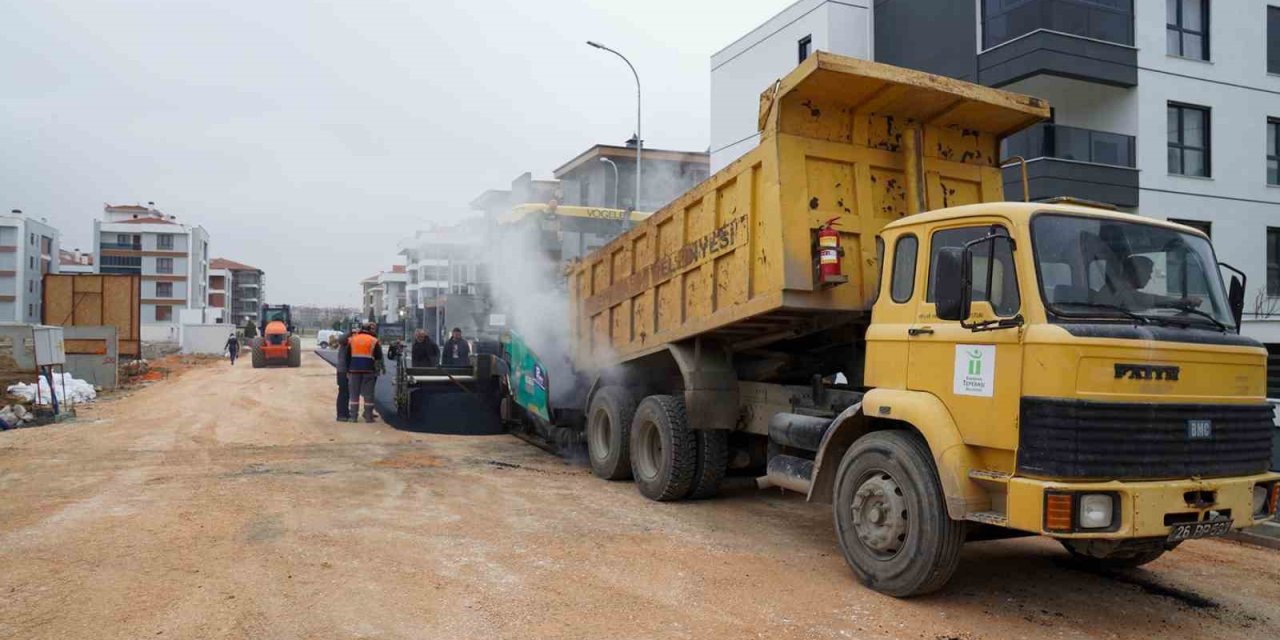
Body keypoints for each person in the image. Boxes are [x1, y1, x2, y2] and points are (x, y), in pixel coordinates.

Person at [342, 323, 384, 423]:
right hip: (369, 370)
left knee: (354, 395)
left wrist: (347, 370)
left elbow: (347, 356)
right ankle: (369, 417)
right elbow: (378, 356)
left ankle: (353, 417)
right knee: (368, 394)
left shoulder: (352, 339)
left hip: (354, 371)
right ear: (370, 330)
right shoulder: (373, 340)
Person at [335, 332, 351, 422]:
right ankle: (341, 414)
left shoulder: (351, 341)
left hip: (349, 370)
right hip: (343, 371)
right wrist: (350, 333)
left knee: (347, 393)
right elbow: (340, 339)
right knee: (343, 392)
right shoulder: (345, 341)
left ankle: (346, 412)